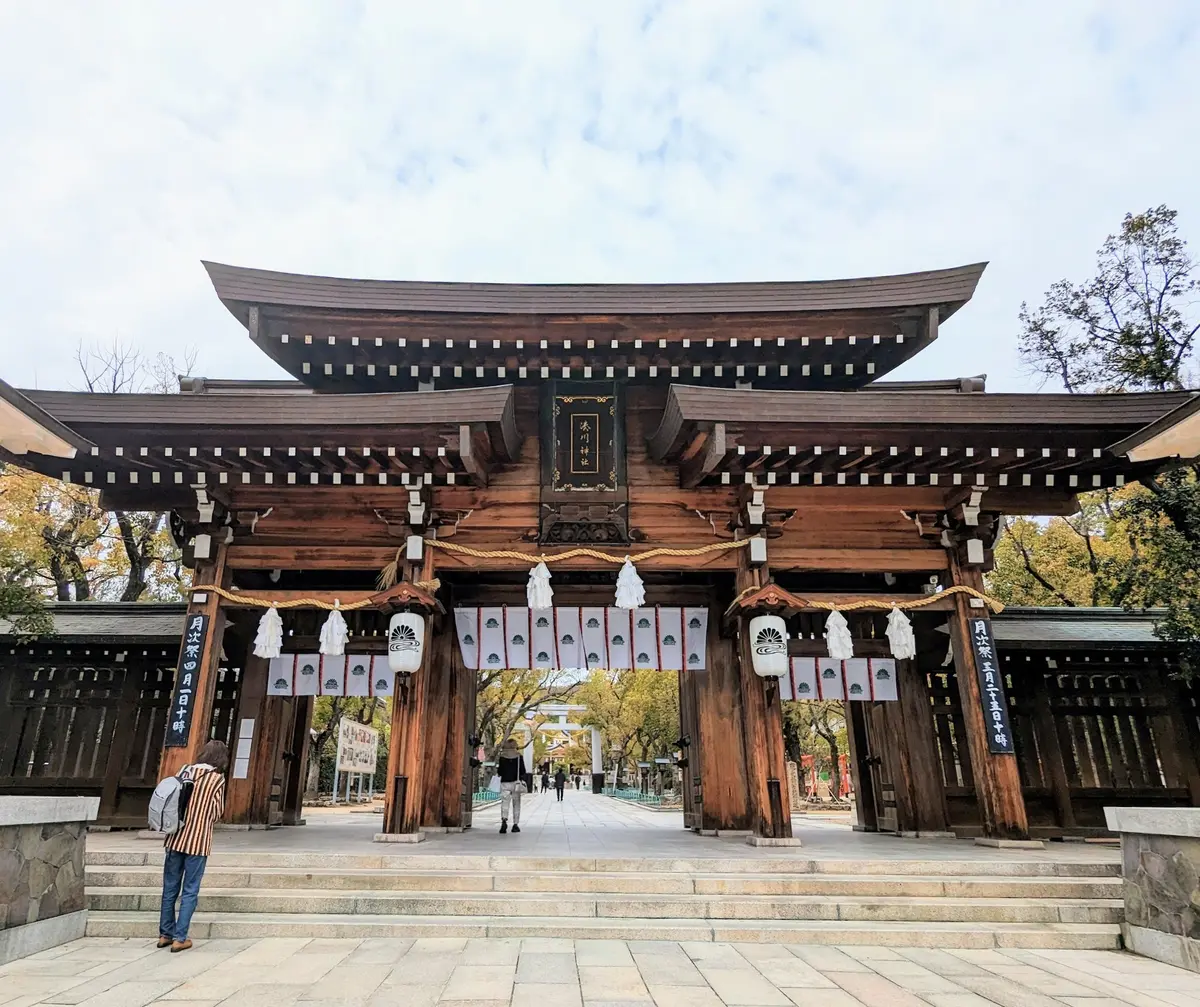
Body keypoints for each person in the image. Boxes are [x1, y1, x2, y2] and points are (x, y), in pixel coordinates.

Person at [158, 739, 228, 953]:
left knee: (170, 887)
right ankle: (181, 937)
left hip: (175, 837)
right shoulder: (216, 780)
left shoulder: (184, 771)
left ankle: (164, 934)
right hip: (198, 841)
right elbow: (217, 812)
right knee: (190, 889)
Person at [497, 738, 523, 834]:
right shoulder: (519, 757)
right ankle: (515, 824)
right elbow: (523, 771)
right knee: (516, 803)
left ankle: (504, 819)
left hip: (505, 782)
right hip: (516, 783)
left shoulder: (502, 757)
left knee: (505, 802)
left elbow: (499, 771)